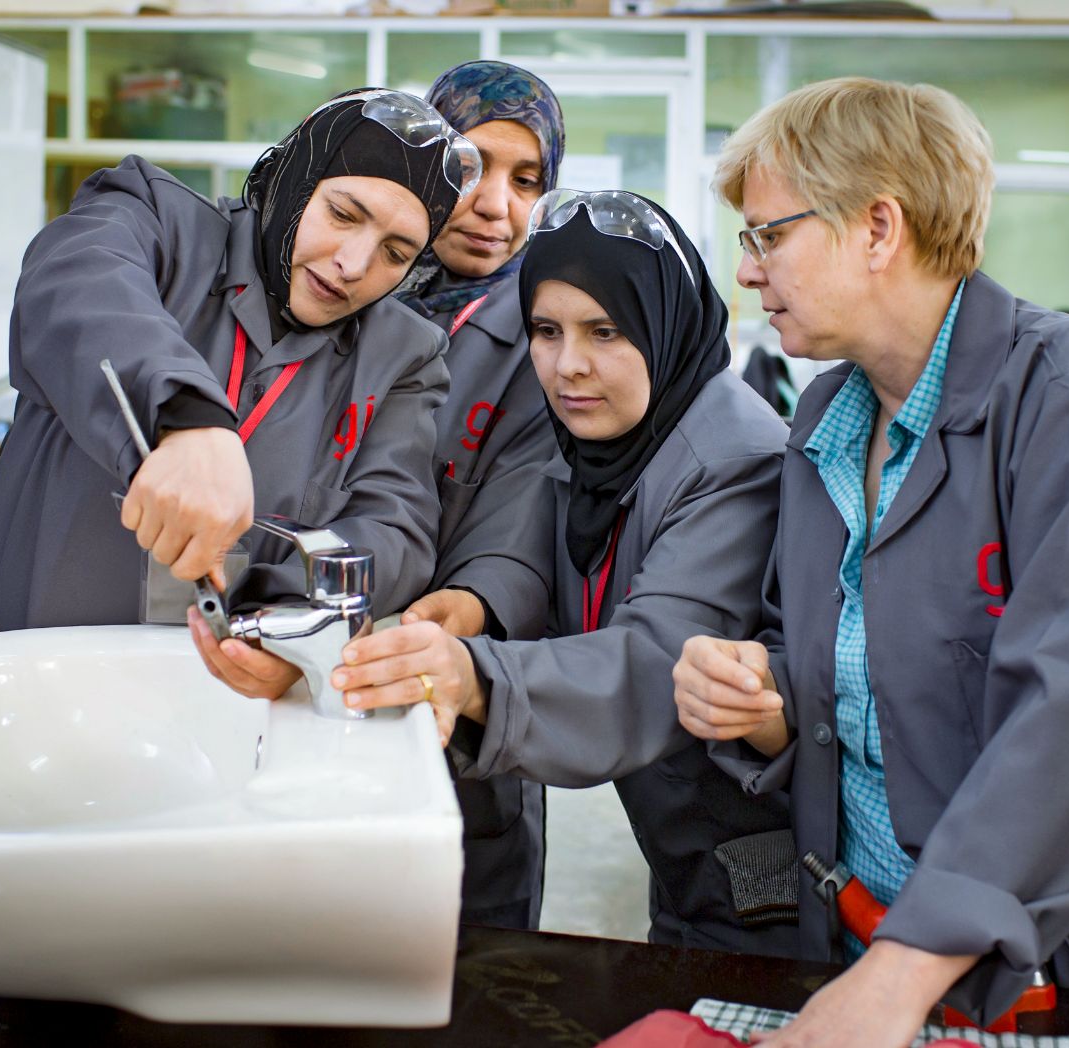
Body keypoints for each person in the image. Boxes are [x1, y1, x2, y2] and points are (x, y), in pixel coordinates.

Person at [670, 77, 1069, 1046]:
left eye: (767, 235)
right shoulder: (824, 421)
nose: (748, 272)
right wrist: (765, 699)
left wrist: (902, 973)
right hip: (864, 949)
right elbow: (832, 658)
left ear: (875, 227)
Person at [330, 190, 797, 954]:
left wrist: (471, 676)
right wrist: (477, 604)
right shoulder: (604, 437)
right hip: (681, 849)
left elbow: (654, 664)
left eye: (605, 331)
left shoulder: (736, 463)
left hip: (763, 865)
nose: (568, 366)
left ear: (664, 323)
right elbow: (535, 548)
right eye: (545, 331)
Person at [0, 90, 475, 699]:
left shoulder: (402, 356)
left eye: (395, 253)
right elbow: (77, 282)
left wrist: (294, 627)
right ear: (296, 179)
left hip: (217, 698)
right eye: (344, 215)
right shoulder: (155, 219)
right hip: (17, 674)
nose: (353, 264)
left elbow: (392, 526)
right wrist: (184, 418)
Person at [392, 60, 565, 932]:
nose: (496, 205)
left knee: (476, 969)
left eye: (526, 180)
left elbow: (543, 504)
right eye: (469, 166)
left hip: (466, 691)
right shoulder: (343, 290)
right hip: (308, 675)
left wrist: (477, 601)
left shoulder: (553, 331)